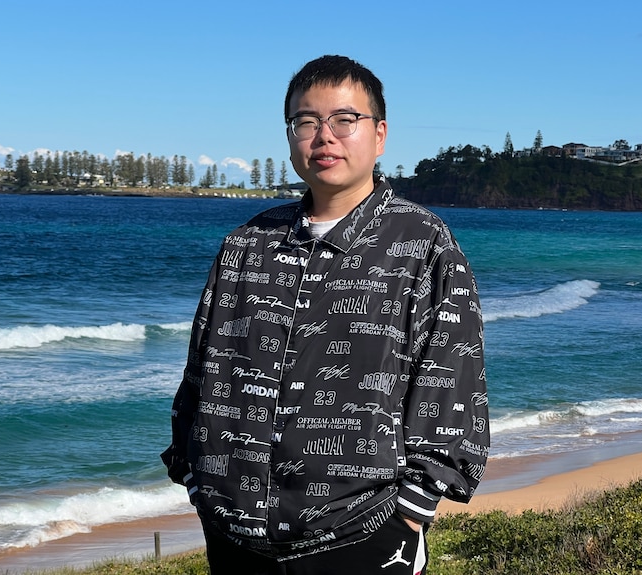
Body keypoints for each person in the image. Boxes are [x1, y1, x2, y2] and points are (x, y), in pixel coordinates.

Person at [162, 54, 489, 574]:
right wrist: (196, 476)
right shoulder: (247, 244)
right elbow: (202, 369)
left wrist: (412, 510)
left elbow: (450, 378)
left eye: (344, 120)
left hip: (362, 533)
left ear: (379, 135)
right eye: (306, 122)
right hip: (233, 532)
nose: (324, 137)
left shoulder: (423, 245)